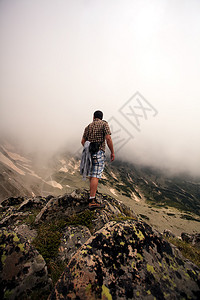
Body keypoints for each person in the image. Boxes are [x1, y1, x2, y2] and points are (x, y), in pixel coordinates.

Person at [81, 110, 115, 208]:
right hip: (99, 151)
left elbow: (83, 141)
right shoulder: (104, 124)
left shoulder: (88, 127)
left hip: (89, 153)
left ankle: (92, 194)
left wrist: (89, 148)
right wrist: (112, 152)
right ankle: (92, 200)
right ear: (101, 117)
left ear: (93, 117)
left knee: (92, 174)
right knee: (96, 174)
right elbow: (108, 138)